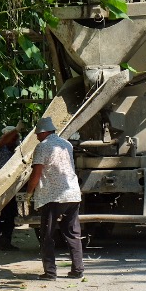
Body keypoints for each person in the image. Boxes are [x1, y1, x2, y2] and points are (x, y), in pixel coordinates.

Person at [25, 117, 84, 280]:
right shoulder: (67, 144)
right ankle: (78, 269)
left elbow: (36, 173)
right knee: (72, 233)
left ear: (43, 132)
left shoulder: (42, 147)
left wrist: (29, 192)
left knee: (47, 235)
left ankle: (50, 273)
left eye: (37, 134)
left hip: (53, 196)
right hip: (72, 194)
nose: (36, 137)